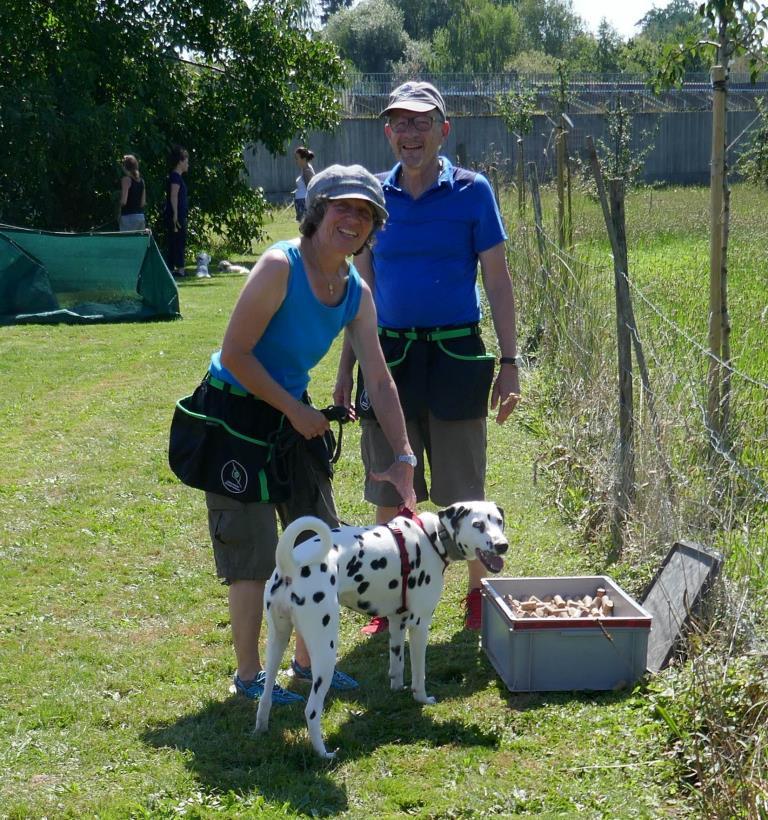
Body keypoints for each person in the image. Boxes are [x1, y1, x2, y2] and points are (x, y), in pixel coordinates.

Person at [201, 164, 416, 703]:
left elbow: (380, 378)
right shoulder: (281, 266)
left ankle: (307, 664)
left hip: (290, 418)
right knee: (252, 554)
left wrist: (405, 454)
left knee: (318, 542)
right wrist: (295, 411)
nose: (354, 220)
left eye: (365, 213)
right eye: (343, 207)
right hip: (234, 415)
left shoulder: (355, 291)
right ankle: (250, 677)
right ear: (318, 211)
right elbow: (235, 354)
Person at [333, 81, 521, 633]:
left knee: (464, 487)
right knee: (390, 486)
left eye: (421, 122)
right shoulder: (373, 197)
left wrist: (510, 363)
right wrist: (345, 370)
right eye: (400, 122)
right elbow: (359, 292)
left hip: (456, 353)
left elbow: (498, 281)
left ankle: (477, 596)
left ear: (444, 130)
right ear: (387, 132)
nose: (410, 133)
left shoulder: (473, 192)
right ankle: (390, 596)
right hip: (388, 357)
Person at [165, 145, 189, 278]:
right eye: (186, 161)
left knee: (178, 240)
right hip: (176, 215)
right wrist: (175, 214)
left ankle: (175, 267)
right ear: (180, 161)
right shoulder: (175, 177)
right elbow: (173, 196)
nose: (187, 164)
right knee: (178, 241)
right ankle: (179, 268)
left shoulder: (177, 177)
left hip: (179, 214)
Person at [118, 154, 146, 231]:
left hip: (128, 217)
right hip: (140, 217)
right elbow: (143, 203)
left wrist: (118, 212)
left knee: (127, 239)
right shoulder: (142, 181)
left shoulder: (126, 180)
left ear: (124, 167)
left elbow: (123, 201)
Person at [293, 146, 316, 222]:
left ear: (303, 159)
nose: (296, 161)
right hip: (301, 202)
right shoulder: (304, 169)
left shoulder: (307, 171)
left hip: (304, 203)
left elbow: (310, 189)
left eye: (297, 158)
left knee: (305, 225)